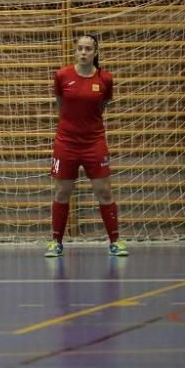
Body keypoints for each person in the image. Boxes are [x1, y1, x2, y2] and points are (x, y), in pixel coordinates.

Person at [46, 34, 128, 258]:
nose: (83, 52)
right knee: (62, 191)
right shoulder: (62, 75)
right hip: (66, 142)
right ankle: (56, 242)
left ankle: (115, 242)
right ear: (75, 51)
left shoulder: (105, 79)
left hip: (94, 141)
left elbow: (101, 106)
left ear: (95, 52)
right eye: (80, 48)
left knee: (104, 191)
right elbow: (61, 104)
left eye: (88, 49)